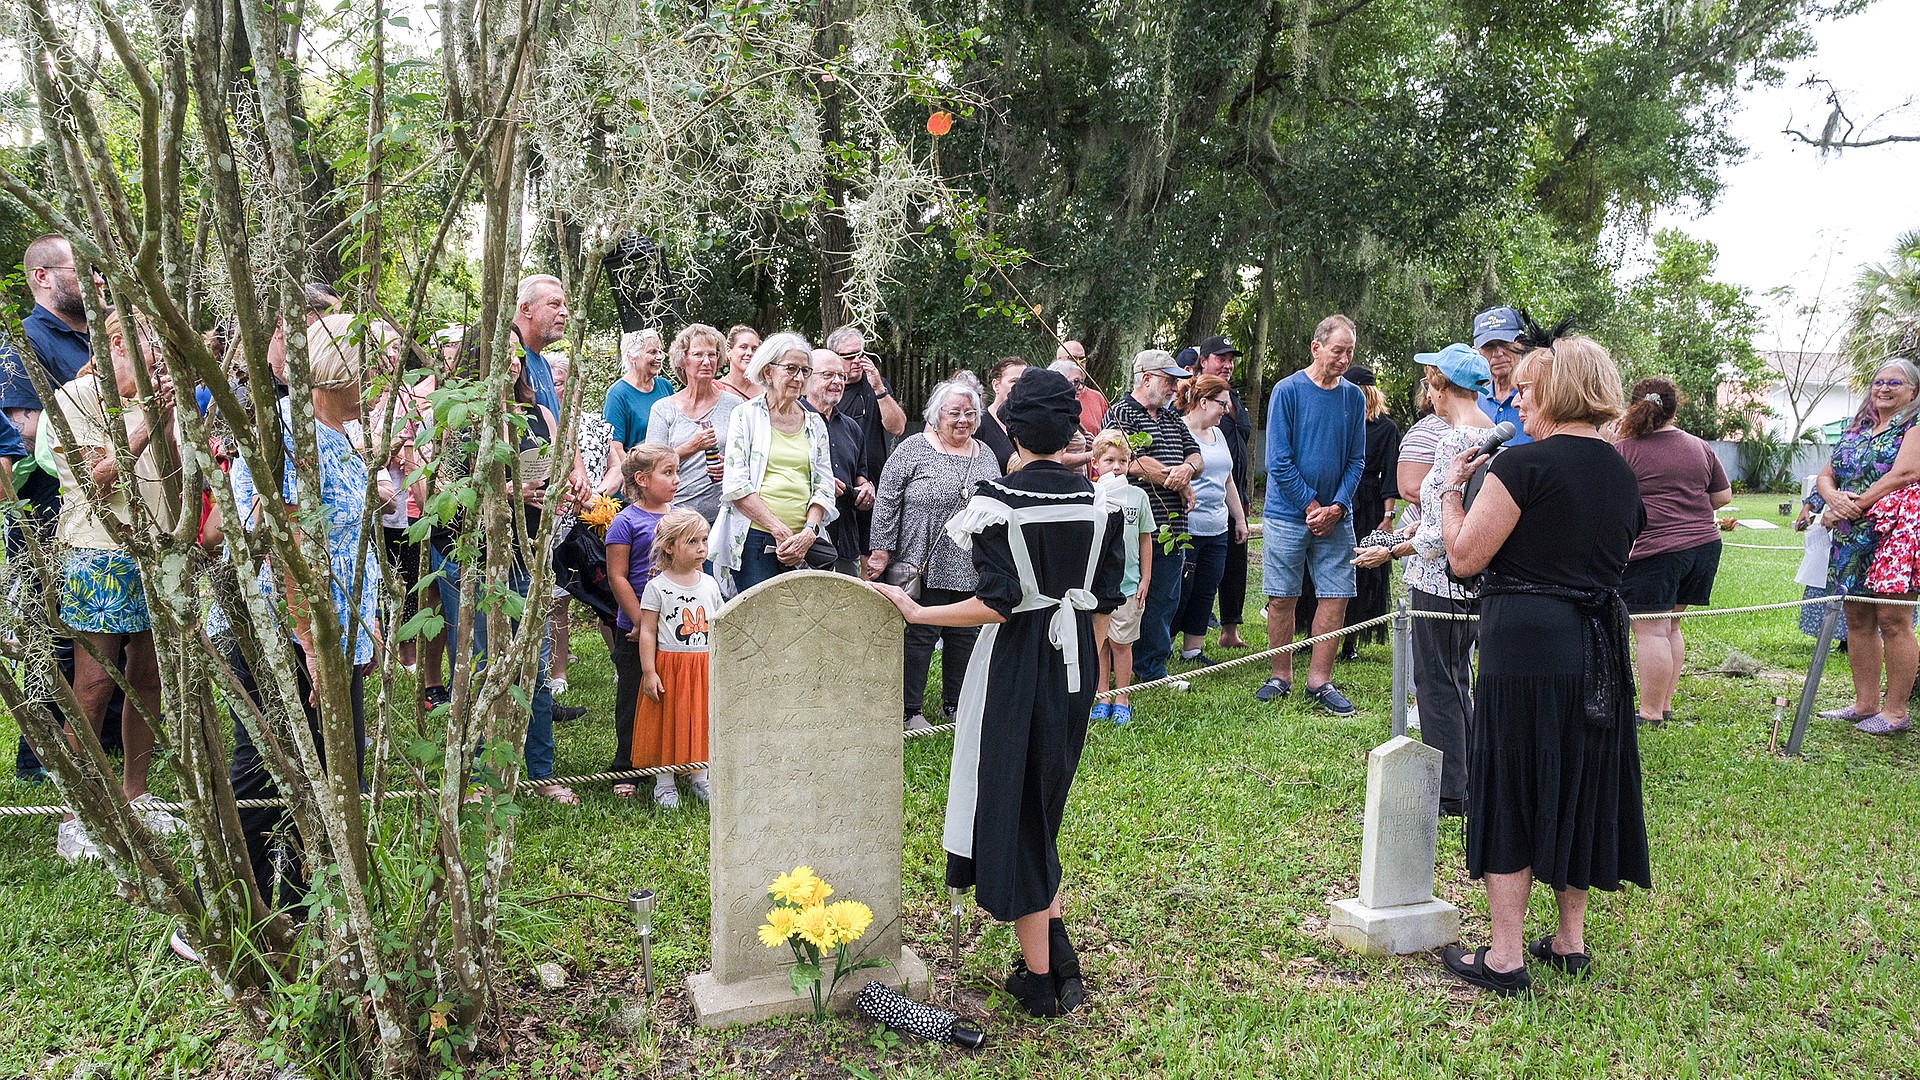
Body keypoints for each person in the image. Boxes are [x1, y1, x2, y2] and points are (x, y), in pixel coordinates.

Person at [872, 369, 1125, 1019]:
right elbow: (1103, 604)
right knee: (1043, 802)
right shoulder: (1101, 505)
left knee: (1015, 812)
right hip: (1074, 670)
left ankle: (1041, 981)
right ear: (1071, 428)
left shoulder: (998, 502)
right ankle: (1056, 950)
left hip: (1016, 668)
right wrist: (1088, 676)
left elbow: (996, 604)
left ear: (1008, 427)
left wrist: (918, 612)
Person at [1435, 334, 1648, 996]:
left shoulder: (1522, 468)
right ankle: (1568, 941)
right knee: (1576, 780)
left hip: (1525, 643)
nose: (1515, 398)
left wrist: (1449, 495)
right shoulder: (1620, 471)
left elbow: (1465, 558)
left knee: (1513, 785)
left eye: (1525, 388)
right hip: (1596, 649)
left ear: (1557, 390)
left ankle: (1503, 957)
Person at [215, 313, 388, 904]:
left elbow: (349, 542)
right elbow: (287, 544)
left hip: (335, 633)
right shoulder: (288, 431)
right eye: (374, 363)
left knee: (340, 765)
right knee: (268, 764)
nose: (385, 375)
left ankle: (318, 901)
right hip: (280, 631)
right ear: (339, 371)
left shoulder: (340, 432)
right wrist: (313, 649)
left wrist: (366, 632)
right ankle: (245, 906)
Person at [46, 308, 185, 860]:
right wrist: (151, 419)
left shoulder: (151, 406)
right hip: (97, 553)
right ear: (116, 346)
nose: (158, 359)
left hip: (154, 550)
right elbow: (97, 480)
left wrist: (171, 424)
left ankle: (134, 792)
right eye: (151, 345)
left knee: (147, 675)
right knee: (95, 683)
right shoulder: (71, 403)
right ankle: (79, 810)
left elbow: (174, 476)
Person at [430, 338, 576, 803]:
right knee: (474, 662)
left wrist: (560, 487)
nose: (514, 361)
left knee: (532, 659)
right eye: (503, 351)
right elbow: (445, 494)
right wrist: (513, 491)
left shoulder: (539, 414)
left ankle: (540, 772)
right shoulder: (459, 419)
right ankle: (475, 775)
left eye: (517, 353)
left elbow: (554, 469)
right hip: (469, 555)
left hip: (528, 549)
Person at [1351, 345, 1492, 816]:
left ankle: (1452, 791)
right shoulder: (1487, 432)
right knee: (1455, 680)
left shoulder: (1457, 442)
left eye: (1428, 382)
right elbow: (1443, 510)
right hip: (1459, 579)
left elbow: (1442, 531)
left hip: (1442, 583)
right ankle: (1468, 777)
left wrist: (1390, 549)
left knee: (1437, 685)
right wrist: (1407, 529)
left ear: (1439, 385)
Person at [1, 234, 97, 783]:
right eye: (78, 269)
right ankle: (39, 757)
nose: (93, 279)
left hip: (103, 507)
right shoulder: (24, 341)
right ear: (43, 277)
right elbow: (25, 428)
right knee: (49, 628)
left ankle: (99, 732)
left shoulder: (100, 337)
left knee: (99, 627)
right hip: (44, 511)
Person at [867, 378, 1002, 730]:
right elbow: (886, 500)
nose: (962, 420)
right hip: (922, 558)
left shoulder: (985, 453)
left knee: (964, 634)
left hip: (971, 562)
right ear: (936, 414)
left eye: (970, 413)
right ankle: (910, 710)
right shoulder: (914, 448)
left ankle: (956, 704)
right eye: (954, 412)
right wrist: (881, 550)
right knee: (920, 635)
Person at [1256, 314, 1366, 715]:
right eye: (1338, 351)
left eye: (1349, 352)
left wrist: (1337, 506)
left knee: (1336, 595)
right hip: (1288, 514)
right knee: (1283, 596)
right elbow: (1278, 461)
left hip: (1338, 515)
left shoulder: (1354, 397)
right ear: (1316, 347)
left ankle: (1320, 680)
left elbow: (1357, 460)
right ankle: (1280, 675)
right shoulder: (1287, 391)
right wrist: (1312, 506)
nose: (1344, 359)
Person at [1613, 378, 1731, 727]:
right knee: (1672, 626)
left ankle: (1648, 713)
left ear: (1632, 406)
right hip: (1703, 548)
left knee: (1649, 630)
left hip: (1655, 551)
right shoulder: (1699, 447)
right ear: (1675, 408)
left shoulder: (1625, 450)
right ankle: (1663, 704)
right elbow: (1722, 498)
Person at [1814, 359, 1920, 735]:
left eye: (1895, 382)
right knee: (1857, 619)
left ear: (1913, 391)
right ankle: (1864, 704)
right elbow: (1826, 473)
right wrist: (1832, 498)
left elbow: (1906, 473)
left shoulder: (1913, 424)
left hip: (1895, 532)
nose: (1884, 388)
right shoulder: (1856, 427)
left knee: (1893, 621)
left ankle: (1895, 712)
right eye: (1878, 382)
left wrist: (1854, 505)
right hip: (1850, 532)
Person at [712, 332, 837, 593]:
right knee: (761, 622)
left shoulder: (814, 423)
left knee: (802, 621)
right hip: (756, 537)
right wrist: (779, 530)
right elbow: (736, 484)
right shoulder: (745, 415)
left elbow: (824, 486)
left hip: (805, 539)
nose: (800, 377)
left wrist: (808, 532)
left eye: (805, 370)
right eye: (791, 369)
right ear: (768, 371)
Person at [1102, 350, 1199, 682]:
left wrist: (1186, 471)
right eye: (1169, 381)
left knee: (1164, 599)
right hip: (1131, 528)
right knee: (1127, 596)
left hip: (1172, 528)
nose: (1174, 388)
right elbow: (1129, 461)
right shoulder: (1121, 413)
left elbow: (1197, 456)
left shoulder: (1172, 418)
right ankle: (1117, 667)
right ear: (1146, 379)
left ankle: (1152, 669)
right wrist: (1175, 479)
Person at [545, 348, 623, 709]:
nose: (562, 390)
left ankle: (619, 659)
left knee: (605, 590)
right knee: (557, 596)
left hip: (595, 517)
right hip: (555, 518)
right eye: (557, 383)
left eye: (568, 385)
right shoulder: (542, 420)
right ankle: (557, 673)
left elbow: (617, 466)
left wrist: (598, 494)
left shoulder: (595, 424)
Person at [633, 509, 721, 807]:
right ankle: (665, 783)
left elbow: (720, 621)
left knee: (699, 719)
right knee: (668, 721)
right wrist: (649, 672)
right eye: (692, 541)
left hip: (702, 666)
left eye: (705, 541)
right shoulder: (657, 587)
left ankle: (700, 777)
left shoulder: (709, 583)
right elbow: (647, 632)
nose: (701, 548)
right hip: (670, 666)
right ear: (669, 546)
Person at [605, 446, 678, 797]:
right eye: (668, 473)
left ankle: (675, 761)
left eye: (677, 472)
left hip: (676, 628)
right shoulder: (626, 521)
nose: (676, 480)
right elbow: (617, 576)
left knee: (672, 692)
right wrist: (638, 621)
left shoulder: (679, 518)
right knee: (634, 694)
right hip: (634, 629)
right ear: (642, 479)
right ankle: (627, 765)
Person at [1170, 374, 1248, 665]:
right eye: (1222, 404)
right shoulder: (1179, 430)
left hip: (1217, 529)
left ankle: (1193, 649)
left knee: (1205, 590)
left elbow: (1227, 480)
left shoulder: (1219, 435)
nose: (1226, 410)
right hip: (1187, 527)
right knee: (1180, 590)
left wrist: (1238, 519)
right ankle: (1162, 644)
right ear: (1203, 401)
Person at [1189, 336, 1254, 648]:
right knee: (1193, 579)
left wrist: (1241, 509)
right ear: (1204, 361)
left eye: (1231, 360)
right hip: (1197, 508)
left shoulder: (1234, 399)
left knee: (1233, 567)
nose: (1227, 364)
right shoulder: (1193, 398)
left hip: (1232, 494)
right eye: (1220, 358)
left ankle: (1229, 630)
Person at [1089, 430, 1155, 725]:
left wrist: (1146, 577)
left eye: (1123, 460)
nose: (1116, 467)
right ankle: (1102, 694)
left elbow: (1145, 539)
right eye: (1109, 460)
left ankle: (1122, 696)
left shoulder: (1138, 496)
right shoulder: (1090, 494)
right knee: (1100, 643)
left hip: (1128, 584)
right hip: (1099, 585)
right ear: (1095, 463)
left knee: (1122, 644)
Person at [646, 322, 739, 524]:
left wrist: (731, 467)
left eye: (712, 354)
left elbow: (751, 459)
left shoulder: (735, 406)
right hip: (674, 516)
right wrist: (693, 446)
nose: (707, 361)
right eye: (698, 355)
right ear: (683, 360)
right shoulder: (663, 409)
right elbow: (651, 465)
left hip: (723, 516)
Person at [824, 326, 906, 549]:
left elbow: (898, 427)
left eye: (860, 354)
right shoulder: (825, 391)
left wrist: (879, 388)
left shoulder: (874, 384)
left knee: (871, 558)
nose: (857, 361)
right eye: (849, 357)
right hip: (837, 486)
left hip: (874, 485)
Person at [1339, 365, 1400, 661]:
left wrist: (1387, 517)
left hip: (1370, 504)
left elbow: (1390, 476)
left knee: (1363, 573)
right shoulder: (1340, 421)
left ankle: (1351, 640)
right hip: (1338, 497)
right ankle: (1316, 634)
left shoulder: (1387, 428)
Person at [804, 347, 873, 573]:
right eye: (827, 375)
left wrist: (866, 489)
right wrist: (821, 484)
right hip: (804, 541)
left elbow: (860, 476)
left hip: (846, 541)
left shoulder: (852, 428)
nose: (837, 381)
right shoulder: (792, 422)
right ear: (807, 377)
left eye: (841, 376)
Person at [1793, 474, 1848, 648]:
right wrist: (1808, 507)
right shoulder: (1844, 452)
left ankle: (1850, 640)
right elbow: (1827, 479)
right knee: (1827, 580)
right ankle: (1830, 634)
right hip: (1835, 524)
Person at [603, 328, 673, 453]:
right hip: (638, 469)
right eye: (652, 352)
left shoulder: (665, 386)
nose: (659, 357)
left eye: (659, 351)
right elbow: (615, 448)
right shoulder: (617, 394)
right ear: (632, 356)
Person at [1472, 305, 1533, 447]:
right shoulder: (1473, 401)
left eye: (1504, 343)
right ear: (1477, 351)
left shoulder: (1540, 398)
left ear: (1522, 344)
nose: (1498, 353)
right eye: (1489, 346)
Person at [975, 356, 1029, 472]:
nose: (1020, 387)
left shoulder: (1031, 422)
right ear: (996, 385)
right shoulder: (978, 424)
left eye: (1024, 382)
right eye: (1013, 381)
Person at [1055, 339, 1108, 437]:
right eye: (1073, 359)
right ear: (1058, 361)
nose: (1078, 363)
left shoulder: (1098, 398)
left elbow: (1107, 438)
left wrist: (1096, 444)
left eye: (1082, 359)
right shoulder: (1049, 397)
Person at [718, 325, 762, 402]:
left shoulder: (766, 390)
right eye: (743, 347)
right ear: (728, 351)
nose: (749, 353)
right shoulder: (716, 389)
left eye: (754, 349)